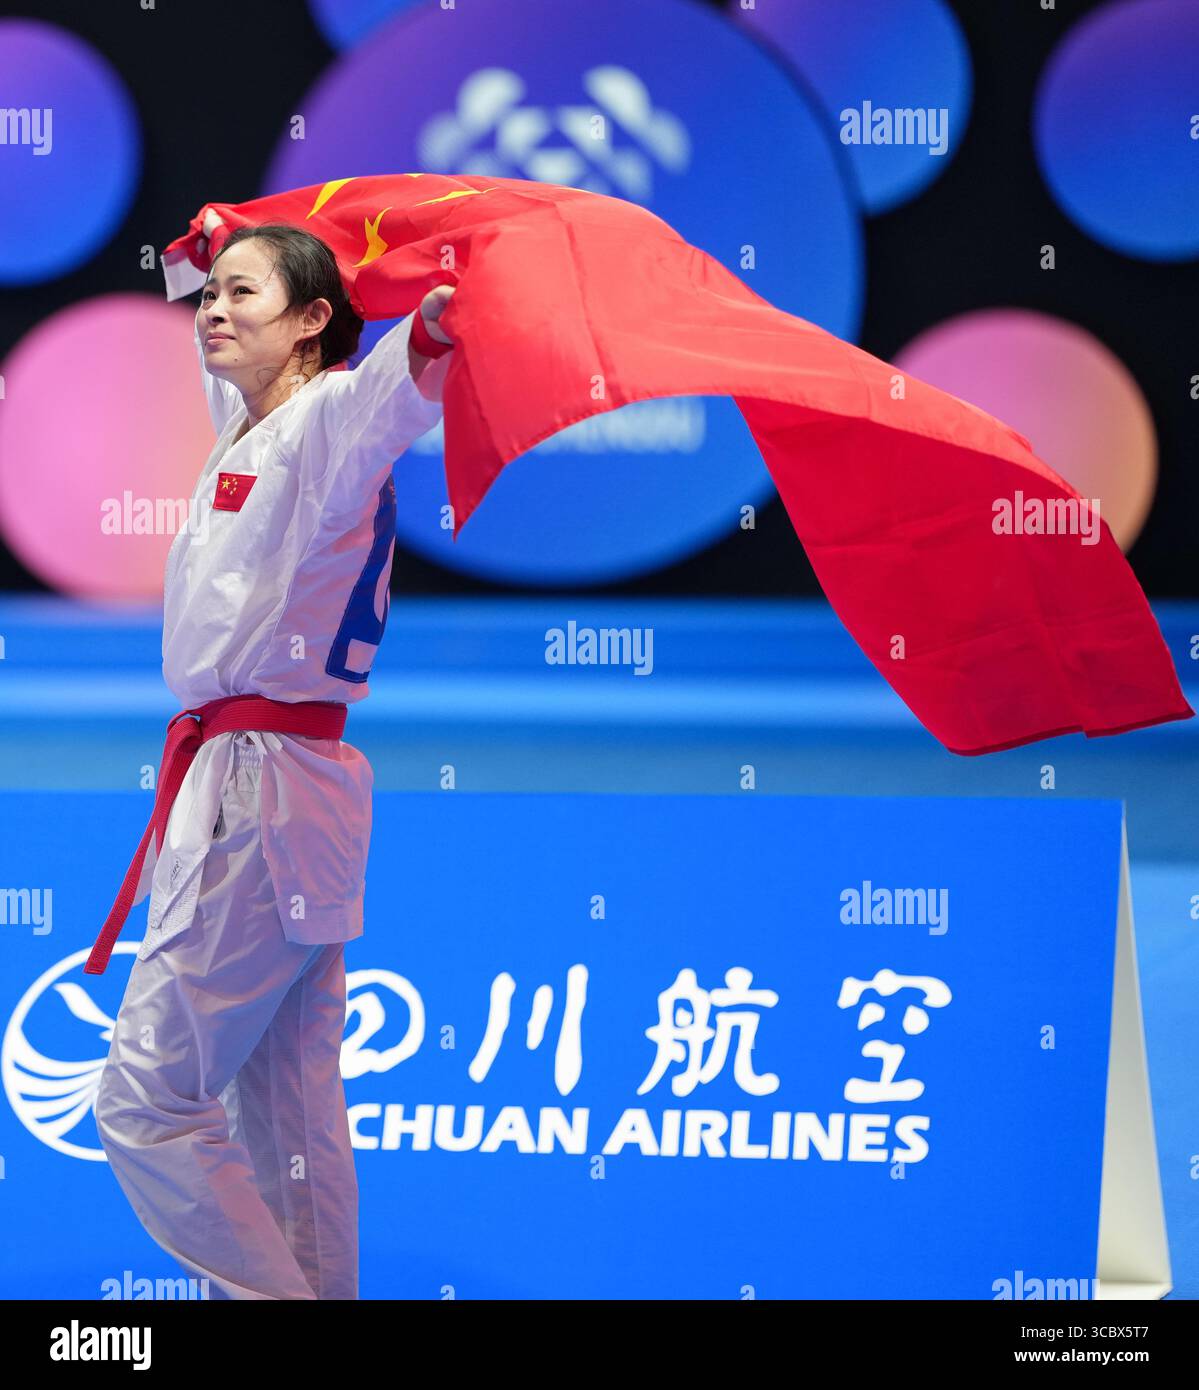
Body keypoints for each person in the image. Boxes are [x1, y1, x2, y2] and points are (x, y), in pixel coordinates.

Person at [92, 213, 455, 1300]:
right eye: (213, 295)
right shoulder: (251, 422)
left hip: (260, 786)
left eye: (243, 295)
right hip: (292, 790)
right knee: (286, 1114)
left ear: (310, 324)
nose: (212, 309)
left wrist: (432, 326)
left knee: (146, 1100)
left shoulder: (330, 419)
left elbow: (395, 384)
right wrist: (202, 239)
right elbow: (186, 274)